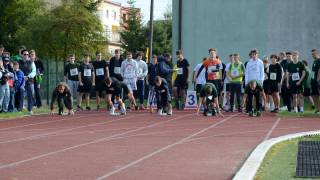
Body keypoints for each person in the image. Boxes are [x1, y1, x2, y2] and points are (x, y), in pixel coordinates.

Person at [20, 49, 36, 115]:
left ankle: (30, 110)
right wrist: (22, 77)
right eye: (25, 54)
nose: (26, 55)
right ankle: (19, 109)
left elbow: (34, 72)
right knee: (21, 95)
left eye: (27, 54)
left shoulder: (31, 62)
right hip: (21, 82)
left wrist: (28, 77)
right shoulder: (19, 62)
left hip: (30, 81)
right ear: (22, 55)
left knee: (31, 95)